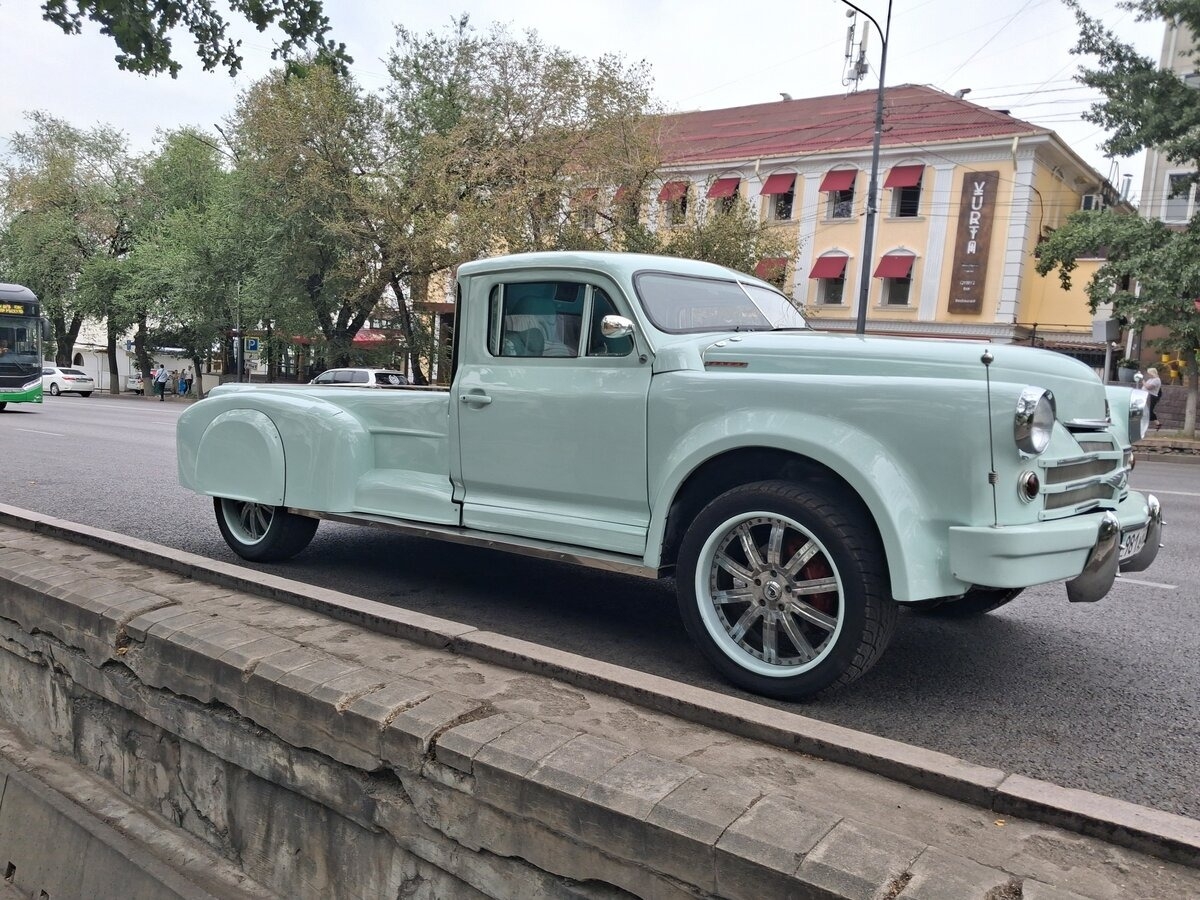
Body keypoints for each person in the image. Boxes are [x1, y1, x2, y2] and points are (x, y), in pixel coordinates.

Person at [1143, 366, 1162, 430]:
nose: (1148, 375)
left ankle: (1156, 424)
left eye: (1149, 373)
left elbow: (1149, 387)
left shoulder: (1157, 380)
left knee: (1149, 411)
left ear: (1152, 373)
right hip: (1147, 396)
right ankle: (1158, 424)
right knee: (1148, 411)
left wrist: (1143, 382)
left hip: (1151, 397)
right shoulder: (1151, 379)